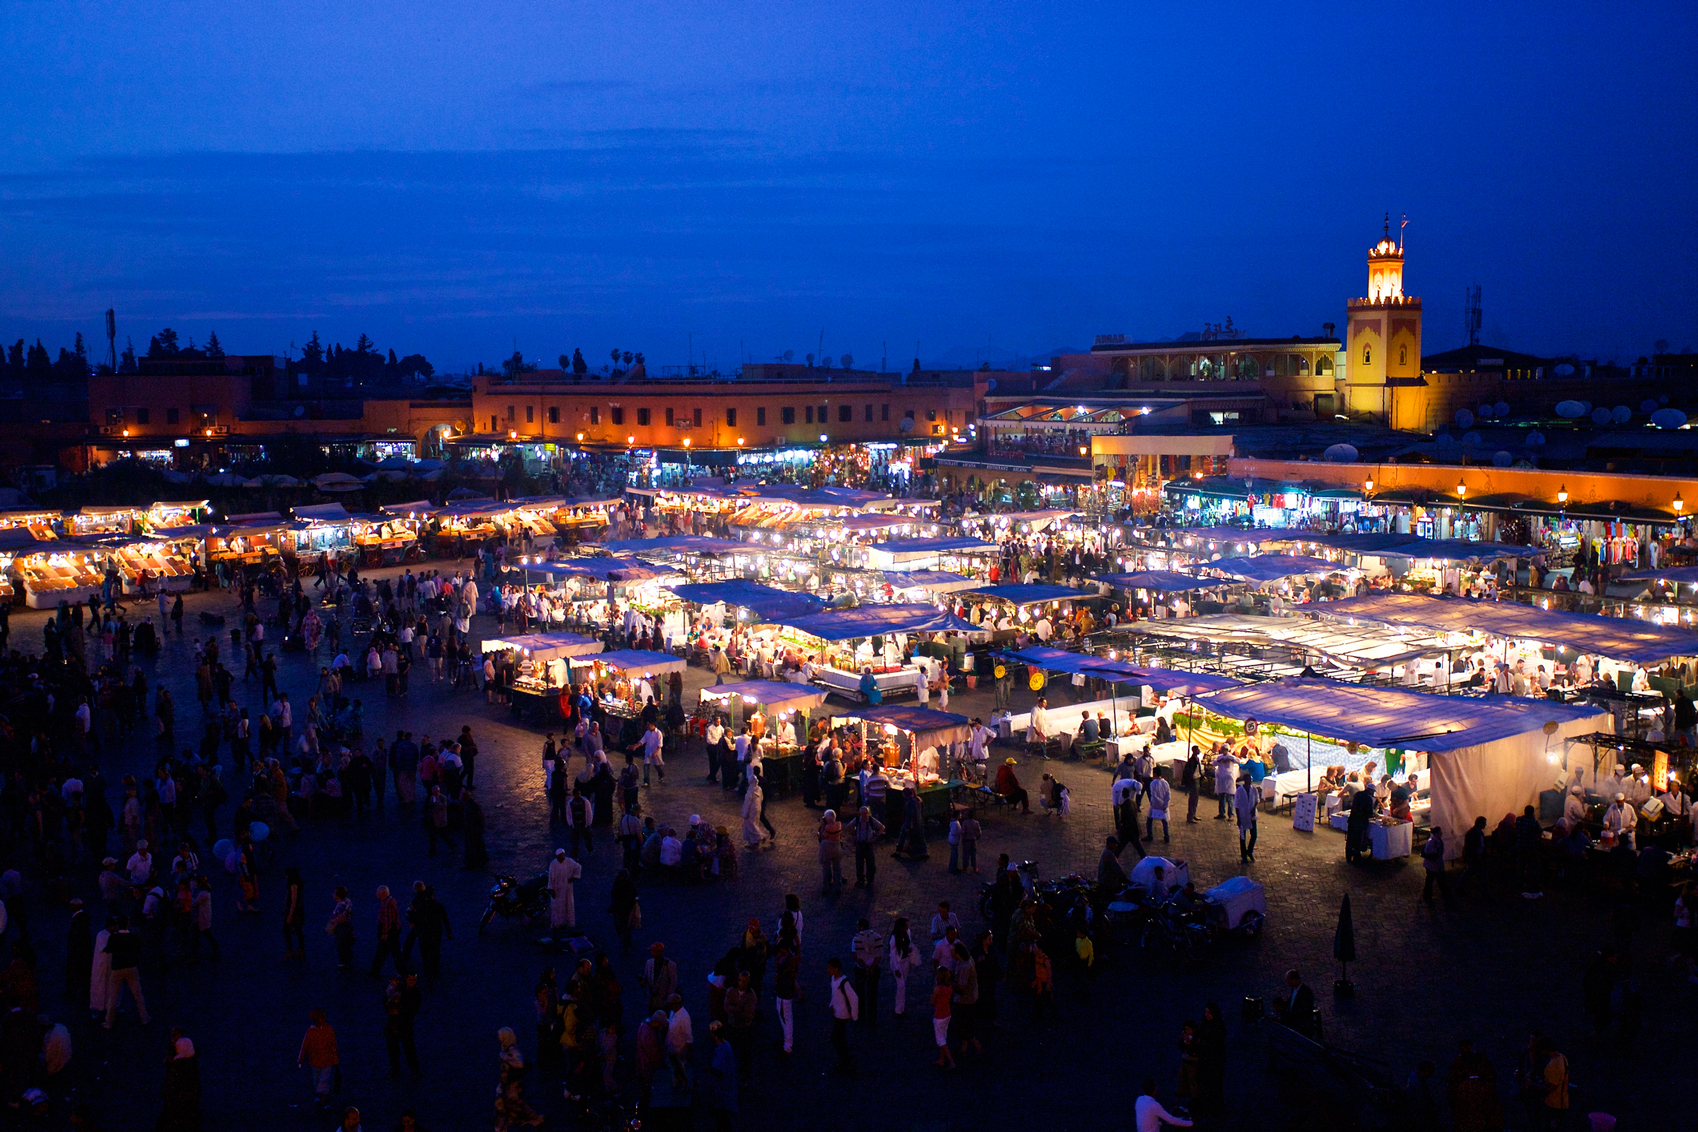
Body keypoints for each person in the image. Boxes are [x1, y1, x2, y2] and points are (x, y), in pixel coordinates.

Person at [297, 1009, 340, 1111]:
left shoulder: (328, 1029)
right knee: (317, 1080)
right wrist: (301, 1059)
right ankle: (320, 1097)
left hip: (326, 1061)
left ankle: (323, 1100)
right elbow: (305, 1046)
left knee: (323, 1081)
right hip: (315, 1061)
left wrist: (335, 1059)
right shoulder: (311, 1032)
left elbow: (333, 1045)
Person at [704, 1022, 738, 1131]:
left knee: (722, 1118)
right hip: (728, 1086)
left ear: (713, 1034)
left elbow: (718, 1071)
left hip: (723, 1090)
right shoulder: (726, 1045)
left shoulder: (721, 1050)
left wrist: (708, 1070)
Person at [827, 957, 858, 1072]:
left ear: (836, 968)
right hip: (837, 1013)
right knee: (841, 1037)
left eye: (830, 967)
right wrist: (832, 1005)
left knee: (836, 1038)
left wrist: (854, 1016)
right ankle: (846, 1057)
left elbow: (854, 999)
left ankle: (844, 1060)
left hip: (842, 1015)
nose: (828, 969)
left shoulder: (844, 983)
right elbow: (834, 995)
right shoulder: (834, 979)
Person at [547, 848, 582, 936]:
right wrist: (551, 889)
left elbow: (578, 867)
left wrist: (573, 877)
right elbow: (550, 878)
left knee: (568, 904)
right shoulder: (553, 864)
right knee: (557, 906)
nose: (563, 857)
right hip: (557, 889)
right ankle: (558, 923)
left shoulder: (569, 862)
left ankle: (568, 922)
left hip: (567, 888)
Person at [1274, 969, 1315, 1038]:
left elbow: (1302, 1012)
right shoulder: (1294, 989)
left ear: (1294, 979)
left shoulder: (1305, 992)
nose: (1288, 982)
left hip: (1301, 1027)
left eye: (1289, 980)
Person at [930, 967, 955, 1069]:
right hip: (947, 1014)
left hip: (939, 1016)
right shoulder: (950, 987)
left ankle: (951, 1061)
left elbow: (932, 1002)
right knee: (943, 1037)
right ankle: (941, 1059)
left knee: (940, 1041)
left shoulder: (937, 989)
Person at [1421, 827, 1451, 905]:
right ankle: (1431, 896)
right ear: (1436, 833)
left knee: (1432, 880)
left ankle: (1428, 895)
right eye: (1440, 832)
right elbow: (1428, 851)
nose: (1441, 833)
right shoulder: (1432, 842)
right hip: (1433, 865)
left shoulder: (1436, 840)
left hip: (1435, 864)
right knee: (1435, 880)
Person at [1233, 775, 1258, 861]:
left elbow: (1256, 800)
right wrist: (1238, 818)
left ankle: (1249, 851)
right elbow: (1236, 805)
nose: (1249, 782)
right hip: (1242, 815)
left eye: (1250, 780)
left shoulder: (1253, 789)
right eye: (1247, 780)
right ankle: (1244, 855)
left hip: (1251, 815)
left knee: (1254, 835)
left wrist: (1254, 808)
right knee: (1243, 836)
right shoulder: (1239, 790)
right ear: (1244, 781)